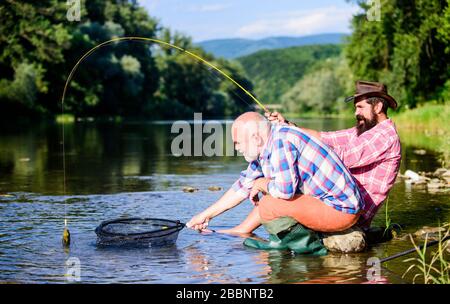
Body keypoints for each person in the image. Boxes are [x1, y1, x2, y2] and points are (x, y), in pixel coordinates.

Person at [186, 111, 364, 234]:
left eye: (237, 143)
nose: (236, 148)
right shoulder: (264, 149)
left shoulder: (281, 142)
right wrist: (204, 215)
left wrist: (262, 183)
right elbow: (241, 188)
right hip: (330, 205)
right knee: (269, 194)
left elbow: (285, 192)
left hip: (341, 210)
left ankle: (287, 247)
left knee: (269, 204)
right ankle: (240, 231)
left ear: (256, 138)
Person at [266, 80, 402, 229]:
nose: (356, 113)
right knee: (279, 183)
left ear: (378, 107)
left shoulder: (384, 136)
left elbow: (343, 157)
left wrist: (301, 146)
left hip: (351, 213)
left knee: (276, 192)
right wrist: (289, 126)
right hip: (338, 202)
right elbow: (324, 137)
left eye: (360, 107)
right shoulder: (366, 130)